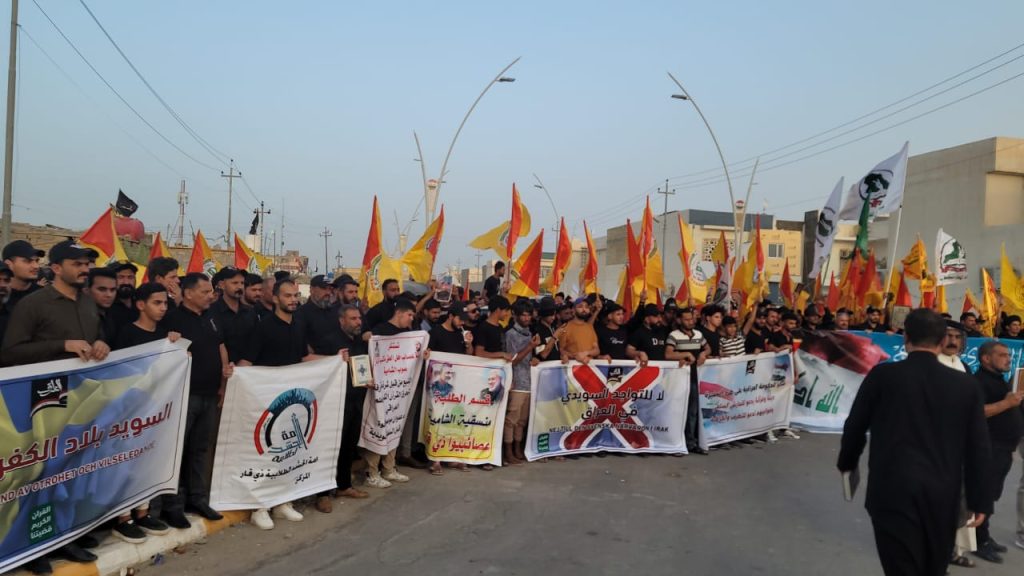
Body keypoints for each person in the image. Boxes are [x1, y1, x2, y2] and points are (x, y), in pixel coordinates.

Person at [837, 308, 992, 576]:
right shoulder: (965, 385)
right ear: (942, 341)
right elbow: (978, 446)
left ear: (905, 337)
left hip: (891, 489)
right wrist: (980, 499)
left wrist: (847, 464)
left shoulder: (883, 376)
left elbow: (855, 426)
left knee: (900, 566)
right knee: (934, 566)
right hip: (942, 493)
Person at [0, 240, 107, 572]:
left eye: (87, 263)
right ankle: (32, 548)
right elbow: (11, 352)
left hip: (79, 401)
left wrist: (102, 343)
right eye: (77, 264)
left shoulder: (88, 302)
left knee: (71, 471)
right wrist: (62, 345)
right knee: (38, 477)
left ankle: (65, 536)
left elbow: (98, 336)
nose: (85, 269)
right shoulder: (33, 305)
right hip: (41, 403)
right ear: (57, 268)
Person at [238, 278, 316, 528]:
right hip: (265, 402)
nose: (293, 300)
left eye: (295, 295)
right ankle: (259, 507)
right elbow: (246, 362)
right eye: (288, 295)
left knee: (289, 452)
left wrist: (335, 359)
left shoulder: (299, 325)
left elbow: (304, 358)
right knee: (265, 454)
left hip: (291, 400)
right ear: (275, 298)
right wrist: (235, 381)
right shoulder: (263, 327)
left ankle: (282, 502)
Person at [110, 283, 179, 544]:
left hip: (156, 411)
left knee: (148, 461)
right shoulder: (127, 333)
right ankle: (123, 518)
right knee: (127, 463)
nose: (162, 308)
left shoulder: (164, 336)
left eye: (165, 303)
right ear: (141, 305)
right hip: (131, 411)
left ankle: (143, 512)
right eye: (156, 303)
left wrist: (177, 348)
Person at [161, 273, 228, 530]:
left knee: (200, 448)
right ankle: (172, 506)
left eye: (211, 291)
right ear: (188, 293)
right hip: (184, 395)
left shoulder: (212, 316)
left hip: (210, 394)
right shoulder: (173, 319)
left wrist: (222, 383)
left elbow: (220, 346)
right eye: (205, 291)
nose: (211, 295)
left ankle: (197, 499)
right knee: (178, 451)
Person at [315, 304, 372, 505]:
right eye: (353, 319)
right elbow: (316, 367)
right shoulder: (329, 341)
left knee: (348, 445)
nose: (358, 322)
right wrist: (334, 360)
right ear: (342, 320)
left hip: (356, 401)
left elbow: (362, 368)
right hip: (335, 403)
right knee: (330, 446)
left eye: (359, 318)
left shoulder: (359, 342)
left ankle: (344, 486)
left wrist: (368, 380)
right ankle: (322, 494)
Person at [971, 341, 1022, 563]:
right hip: (989, 447)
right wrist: (1007, 404)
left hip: (1003, 448)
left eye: (1009, 355)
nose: (1008, 359)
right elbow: (977, 412)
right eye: (1002, 355)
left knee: (991, 494)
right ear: (986, 358)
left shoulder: (999, 379)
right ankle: (977, 540)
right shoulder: (978, 382)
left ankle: (983, 534)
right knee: (983, 495)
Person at [364, 298, 418, 488]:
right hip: (381, 390)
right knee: (379, 428)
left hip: (398, 390)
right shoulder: (380, 330)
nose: (411, 319)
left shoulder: (408, 334)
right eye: (409, 315)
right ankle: (372, 472)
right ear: (399, 313)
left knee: (394, 427)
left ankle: (389, 468)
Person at [666, 307, 708, 454]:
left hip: (696, 377)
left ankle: (691, 442)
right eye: (687, 319)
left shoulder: (698, 334)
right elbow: (668, 354)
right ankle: (677, 441)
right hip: (679, 378)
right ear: (679, 320)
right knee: (678, 410)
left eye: (692, 319)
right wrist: (685, 354)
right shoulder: (674, 335)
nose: (691, 322)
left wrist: (703, 354)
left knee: (693, 411)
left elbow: (707, 348)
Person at [504, 299, 540, 466]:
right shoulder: (511, 334)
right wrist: (530, 347)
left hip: (529, 381)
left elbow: (528, 357)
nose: (526, 318)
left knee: (522, 420)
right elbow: (512, 360)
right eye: (523, 315)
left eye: (528, 315)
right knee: (511, 419)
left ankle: (518, 449)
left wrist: (534, 358)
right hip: (517, 381)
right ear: (516, 316)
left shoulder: (529, 333)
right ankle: (508, 451)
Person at [209, 267, 258, 364]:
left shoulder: (250, 312)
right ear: (222, 285)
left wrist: (247, 360)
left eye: (242, 283)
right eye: (235, 283)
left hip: (248, 368)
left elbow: (256, 341)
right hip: (220, 368)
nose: (240, 287)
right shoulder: (211, 312)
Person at [296, 274, 342, 355]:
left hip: (337, 359)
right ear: (312, 289)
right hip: (316, 360)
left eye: (330, 289)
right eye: (324, 288)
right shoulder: (301, 313)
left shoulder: (335, 312)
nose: (328, 292)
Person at [2, 239, 44, 310]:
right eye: (28, 261)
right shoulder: (3, 296)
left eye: (37, 261)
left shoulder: (44, 296)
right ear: (8, 264)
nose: (36, 266)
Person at [86, 267, 122, 345]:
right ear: (87, 290)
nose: (109, 295)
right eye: (102, 289)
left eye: (113, 290)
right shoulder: (78, 317)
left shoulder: (116, 314)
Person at [558, 298, 599, 364]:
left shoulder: (590, 327)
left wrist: (586, 353)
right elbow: (560, 350)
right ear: (573, 310)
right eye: (580, 306)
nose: (584, 309)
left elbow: (597, 350)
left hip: (591, 368)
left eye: (586, 307)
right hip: (573, 368)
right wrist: (575, 356)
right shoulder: (565, 327)